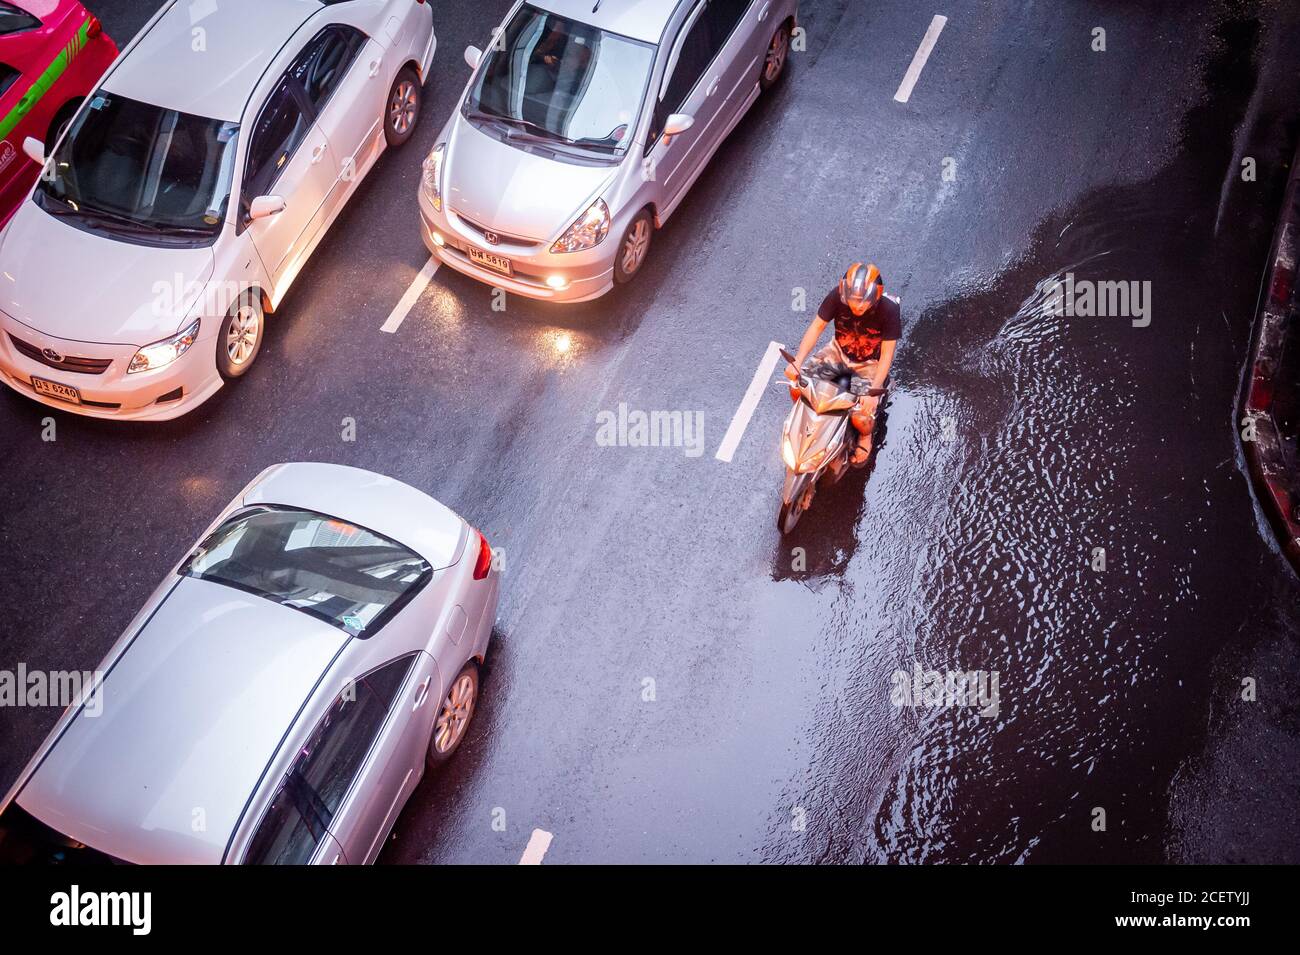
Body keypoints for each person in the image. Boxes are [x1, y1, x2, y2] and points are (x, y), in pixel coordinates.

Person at [785, 262, 900, 465]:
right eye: (853, 301)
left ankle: (866, 438)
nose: (857, 306)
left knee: (861, 419)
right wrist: (797, 361)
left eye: (862, 302)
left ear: (875, 297)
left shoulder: (889, 310)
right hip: (837, 353)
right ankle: (807, 422)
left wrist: (874, 390)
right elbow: (816, 327)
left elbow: (887, 355)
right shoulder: (837, 296)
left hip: (869, 365)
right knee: (798, 387)